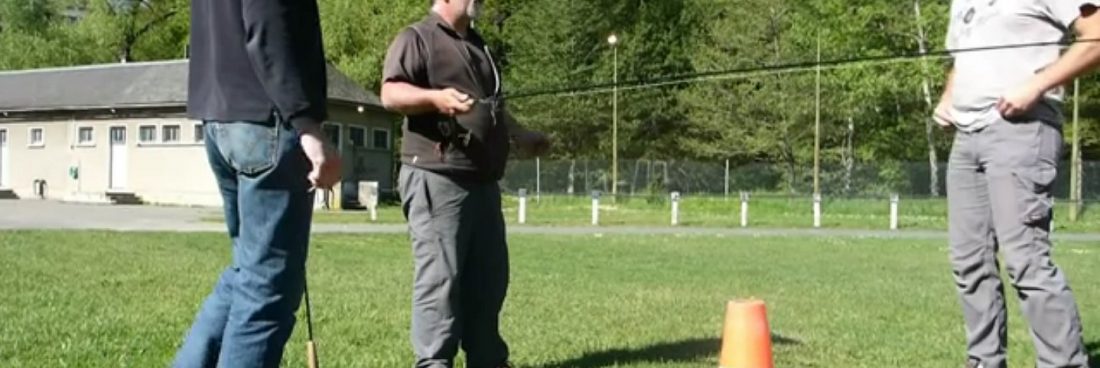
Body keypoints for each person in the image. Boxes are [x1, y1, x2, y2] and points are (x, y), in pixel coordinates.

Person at [380, 0, 551, 367]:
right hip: (436, 177)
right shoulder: (417, 37)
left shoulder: (478, 45)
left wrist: (521, 135)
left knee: (489, 281)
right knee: (440, 280)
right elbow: (391, 93)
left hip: (483, 182)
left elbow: (493, 108)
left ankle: (487, 359)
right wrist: (435, 98)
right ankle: (434, 362)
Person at [172, 0, 341, 366]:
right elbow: (267, 23)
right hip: (266, 120)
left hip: (220, 115)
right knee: (266, 287)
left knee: (247, 272)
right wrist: (308, 124)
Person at [935, 1, 1100, 367]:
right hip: (967, 137)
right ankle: (984, 361)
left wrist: (1037, 85)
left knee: (1027, 261)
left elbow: (1096, 35)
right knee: (969, 262)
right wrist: (949, 97)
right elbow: (962, 59)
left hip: (1022, 129)